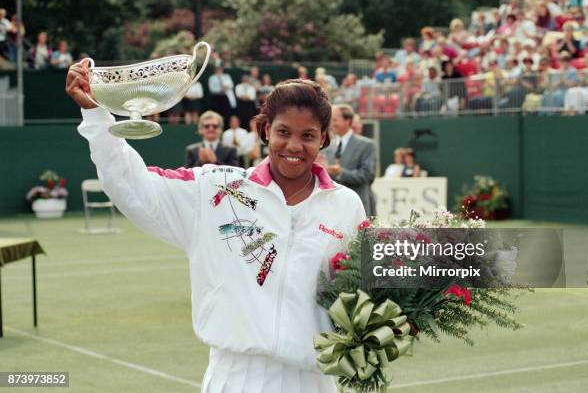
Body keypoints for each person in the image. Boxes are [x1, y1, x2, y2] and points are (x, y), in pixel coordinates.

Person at [66, 63, 365, 392]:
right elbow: (132, 185)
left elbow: (369, 288)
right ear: (264, 130)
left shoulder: (345, 204)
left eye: (307, 135)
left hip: (314, 381)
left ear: (323, 138)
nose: (294, 146)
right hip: (236, 379)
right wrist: (96, 116)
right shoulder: (217, 190)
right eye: (283, 132)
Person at [321, 104, 376, 217]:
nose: (331, 123)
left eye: (335, 120)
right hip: (332, 209)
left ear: (347, 121)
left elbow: (367, 175)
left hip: (357, 208)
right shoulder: (327, 146)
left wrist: (340, 172)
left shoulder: (366, 145)